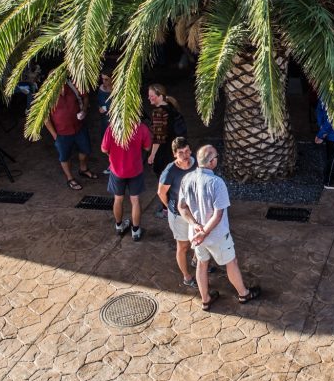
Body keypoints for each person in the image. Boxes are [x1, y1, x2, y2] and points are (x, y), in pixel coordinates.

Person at [177, 145, 261, 311]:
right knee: (231, 262)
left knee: (202, 263)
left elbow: (182, 207)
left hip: (196, 235)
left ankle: (205, 299)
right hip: (216, 235)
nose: (217, 159)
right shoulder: (217, 183)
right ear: (211, 162)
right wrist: (204, 232)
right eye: (216, 157)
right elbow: (218, 215)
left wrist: (196, 227)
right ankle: (243, 294)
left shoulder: (186, 179)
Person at [101, 118, 153, 241]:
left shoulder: (112, 128)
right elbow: (147, 147)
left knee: (118, 199)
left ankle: (119, 226)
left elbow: (103, 149)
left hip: (116, 171)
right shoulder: (141, 127)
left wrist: (112, 154)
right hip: (135, 170)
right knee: (135, 200)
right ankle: (136, 231)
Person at [158, 137, 198, 286]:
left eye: (187, 151)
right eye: (181, 152)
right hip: (178, 215)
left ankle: (196, 261)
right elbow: (161, 192)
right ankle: (187, 277)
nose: (185, 155)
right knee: (183, 246)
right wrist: (171, 207)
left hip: (196, 212)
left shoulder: (196, 164)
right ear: (175, 154)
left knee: (198, 241)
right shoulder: (170, 171)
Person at [45, 80, 97, 190]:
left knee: (85, 150)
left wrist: (84, 110)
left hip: (79, 128)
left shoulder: (73, 85)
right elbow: (45, 118)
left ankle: (83, 169)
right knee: (64, 157)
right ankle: (70, 178)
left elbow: (86, 98)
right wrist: (55, 135)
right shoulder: (46, 95)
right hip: (61, 133)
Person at [147, 83, 187, 176]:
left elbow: (158, 136)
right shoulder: (172, 107)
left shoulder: (158, 112)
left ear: (160, 96)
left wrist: (152, 155)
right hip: (177, 149)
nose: (149, 98)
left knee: (165, 180)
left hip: (164, 153)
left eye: (151, 96)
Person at [95, 71, 114, 173]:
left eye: (106, 79)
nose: (104, 81)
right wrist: (100, 108)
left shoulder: (117, 90)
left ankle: (114, 165)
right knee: (106, 144)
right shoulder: (101, 89)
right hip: (105, 121)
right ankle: (113, 164)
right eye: (102, 79)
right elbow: (98, 102)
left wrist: (106, 107)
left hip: (114, 121)